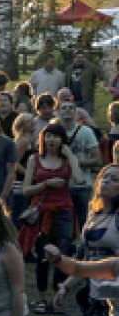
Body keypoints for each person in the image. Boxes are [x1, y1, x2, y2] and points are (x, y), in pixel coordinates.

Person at [55, 166, 119, 316]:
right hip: (93, 291)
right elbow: (82, 260)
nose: (106, 182)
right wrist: (65, 286)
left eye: (114, 179)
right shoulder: (94, 214)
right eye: (104, 177)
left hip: (114, 291)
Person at [18, 122, 83, 314]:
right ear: (42, 138)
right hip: (41, 212)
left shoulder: (66, 160)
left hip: (64, 211)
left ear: (62, 140)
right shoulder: (34, 160)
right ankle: (41, 298)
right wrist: (47, 183)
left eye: (55, 136)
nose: (51, 139)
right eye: (48, 136)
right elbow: (26, 190)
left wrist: (70, 155)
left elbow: (79, 180)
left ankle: (57, 297)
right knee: (42, 257)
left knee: (62, 255)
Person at [57, 96, 101, 230]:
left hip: (83, 184)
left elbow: (97, 159)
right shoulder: (53, 132)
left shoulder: (86, 132)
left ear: (76, 112)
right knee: (62, 223)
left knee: (85, 221)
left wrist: (75, 162)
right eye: (64, 108)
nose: (68, 110)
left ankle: (84, 248)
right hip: (60, 184)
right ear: (58, 112)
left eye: (71, 108)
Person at [66, 49, 102, 116]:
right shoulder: (69, 69)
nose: (80, 59)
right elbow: (67, 82)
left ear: (85, 58)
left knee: (87, 118)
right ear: (74, 58)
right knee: (74, 118)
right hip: (73, 99)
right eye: (78, 57)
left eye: (82, 57)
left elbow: (101, 75)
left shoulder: (91, 67)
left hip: (87, 99)